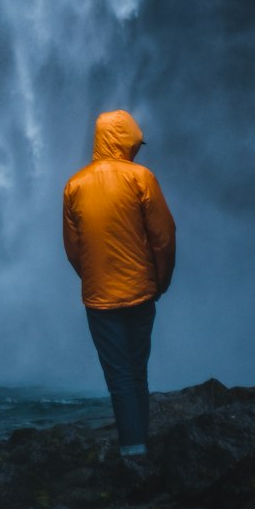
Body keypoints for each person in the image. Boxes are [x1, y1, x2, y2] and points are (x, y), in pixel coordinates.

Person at [62, 109, 176, 459]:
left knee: (118, 376)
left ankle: (133, 449)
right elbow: (164, 237)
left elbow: (73, 248)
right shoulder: (142, 178)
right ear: (128, 141)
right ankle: (140, 446)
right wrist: (160, 281)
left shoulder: (75, 185)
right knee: (137, 369)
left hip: (99, 299)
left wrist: (94, 278)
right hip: (142, 292)